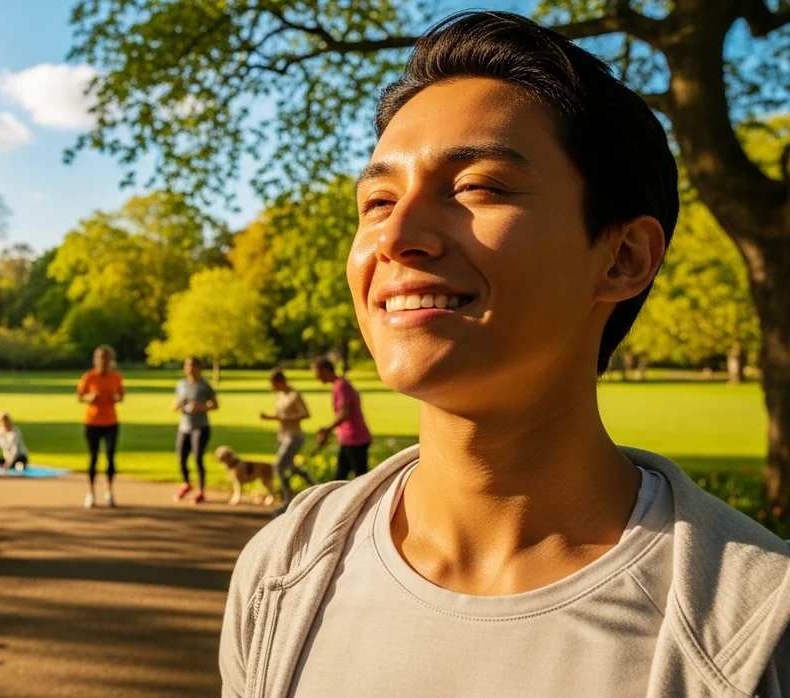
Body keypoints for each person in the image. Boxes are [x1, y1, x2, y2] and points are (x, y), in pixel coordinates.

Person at [220, 11, 790, 698]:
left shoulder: (760, 624)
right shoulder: (281, 569)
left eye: (478, 187)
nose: (398, 234)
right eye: (376, 199)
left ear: (623, 258)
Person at [260, 368, 317, 514]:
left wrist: (286, 418)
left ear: (280, 381)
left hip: (294, 436)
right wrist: (269, 418)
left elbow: (305, 413)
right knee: (290, 467)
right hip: (282, 436)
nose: (272, 387)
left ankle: (287, 500)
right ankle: (314, 484)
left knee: (279, 466)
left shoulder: (294, 395)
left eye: (273, 384)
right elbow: (281, 415)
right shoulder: (279, 395)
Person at [77, 345, 125, 508]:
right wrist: (90, 397)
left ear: (111, 360)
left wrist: (116, 397)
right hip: (92, 422)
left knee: (110, 457)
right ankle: (90, 493)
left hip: (111, 422)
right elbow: (80, 396)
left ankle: (109, 492)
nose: (103, 361)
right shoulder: (89, 377)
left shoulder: (116, 377)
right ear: (95, 359)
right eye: (100, 357)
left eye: (106, 357)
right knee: (93, 458)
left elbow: (121, 395)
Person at [312, 357, 372, 480]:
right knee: (341, 476)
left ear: (325, 370)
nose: (316, 376)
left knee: (360, 478)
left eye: (317, 373)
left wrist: (327, 429)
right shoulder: (341, 383)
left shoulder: (341, 386)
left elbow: (344, 414)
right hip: (351, 437)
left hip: (354, 438)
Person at [172, 356, 219, 504]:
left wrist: (201, 407)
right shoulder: (181, 384)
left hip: (200, 426)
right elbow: (176, 402)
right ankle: (186, 484)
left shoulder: (204, 385)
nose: (190, 368)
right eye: (187, 365)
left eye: (193, 365)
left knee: (198, 458)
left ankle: (201, 491)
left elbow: (215, 405)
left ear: (199, 368)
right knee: (181, 458)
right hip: (184, 426)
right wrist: (177, 406)